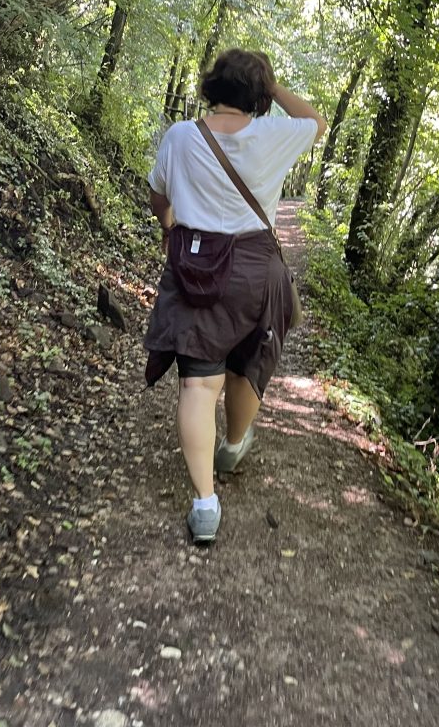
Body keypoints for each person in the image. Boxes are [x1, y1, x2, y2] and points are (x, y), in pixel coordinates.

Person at [144, 48, 327, 542]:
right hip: (253, 267)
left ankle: (205, 505)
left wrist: (168, 226)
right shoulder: (272, 133)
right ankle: (233, 443)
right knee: (246, 361)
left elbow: (158, 193)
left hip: (194, 264)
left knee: (198, 386)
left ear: (212, 86)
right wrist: (273, 88)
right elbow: (316, 121)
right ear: (260, 96)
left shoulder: (181, 136)